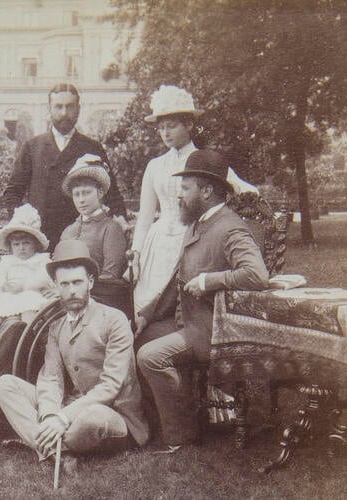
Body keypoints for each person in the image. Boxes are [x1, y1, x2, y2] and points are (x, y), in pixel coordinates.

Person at [136, 150, 269, 453]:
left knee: (150, 356)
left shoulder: (229, 227)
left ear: (207, 191)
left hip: (213, 330)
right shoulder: (197, 223)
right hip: (190, 322)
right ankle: (160, 420)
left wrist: (210, 281)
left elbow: (256, 274)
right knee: (137, 337)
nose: (178, 195)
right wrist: (145, 314)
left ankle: (179, 436)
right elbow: (177, 279)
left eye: (185, 188)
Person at [0, 240, 149, 466]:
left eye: (77, 282)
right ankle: (61, 452)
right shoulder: (57, 328)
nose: (72, 291)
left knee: (92, 417)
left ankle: (39, 441)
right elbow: (50, 378)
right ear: (56, 286)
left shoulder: (114, 320)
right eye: (64, 284)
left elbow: (111, 385)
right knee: (4, 384)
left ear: (90, 282)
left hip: (112, 414)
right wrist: (49, 414)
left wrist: (63, 417)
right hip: (70, 409)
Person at [130, 85, 257, 322]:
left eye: (172, 126)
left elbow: (245, 190)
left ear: (189, 124)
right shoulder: (155, 166)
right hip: (157, 243)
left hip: (192, 238)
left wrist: (241, 201)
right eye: (161, 128)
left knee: (180, 303)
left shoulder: (205, 161)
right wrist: (136, 253)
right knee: (146, 307)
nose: (165, 133)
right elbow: (146, 216)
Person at [2, 83, 127, 248]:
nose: (64, 113)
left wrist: (120, 224)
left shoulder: (92, 147)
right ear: (50, 109)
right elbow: (12, 193)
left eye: (69, 107)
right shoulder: (33, 146)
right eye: (58, 107)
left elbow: (111, 194)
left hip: (81, 240)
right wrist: (22, 228)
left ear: (78, 109)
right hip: (40, 240)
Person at [0, 204, 55, 369]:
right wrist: (3, 286)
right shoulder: (7, 261)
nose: (22, 248)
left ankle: (29, 345)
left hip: (30, 294)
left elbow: (46, 277)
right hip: (8, 296)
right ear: (11, 246)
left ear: (35, 244)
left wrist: (25, 285)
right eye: (16, 244)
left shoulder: (41, 260)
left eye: (26, 243)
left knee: (28, 316)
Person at [59, 153, 127, 281]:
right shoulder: (68, 231)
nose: (81, 200)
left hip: (99, 294)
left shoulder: (110, 228)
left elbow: (110, 275)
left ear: (100, 192)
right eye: (76, 195)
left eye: (86, 193)